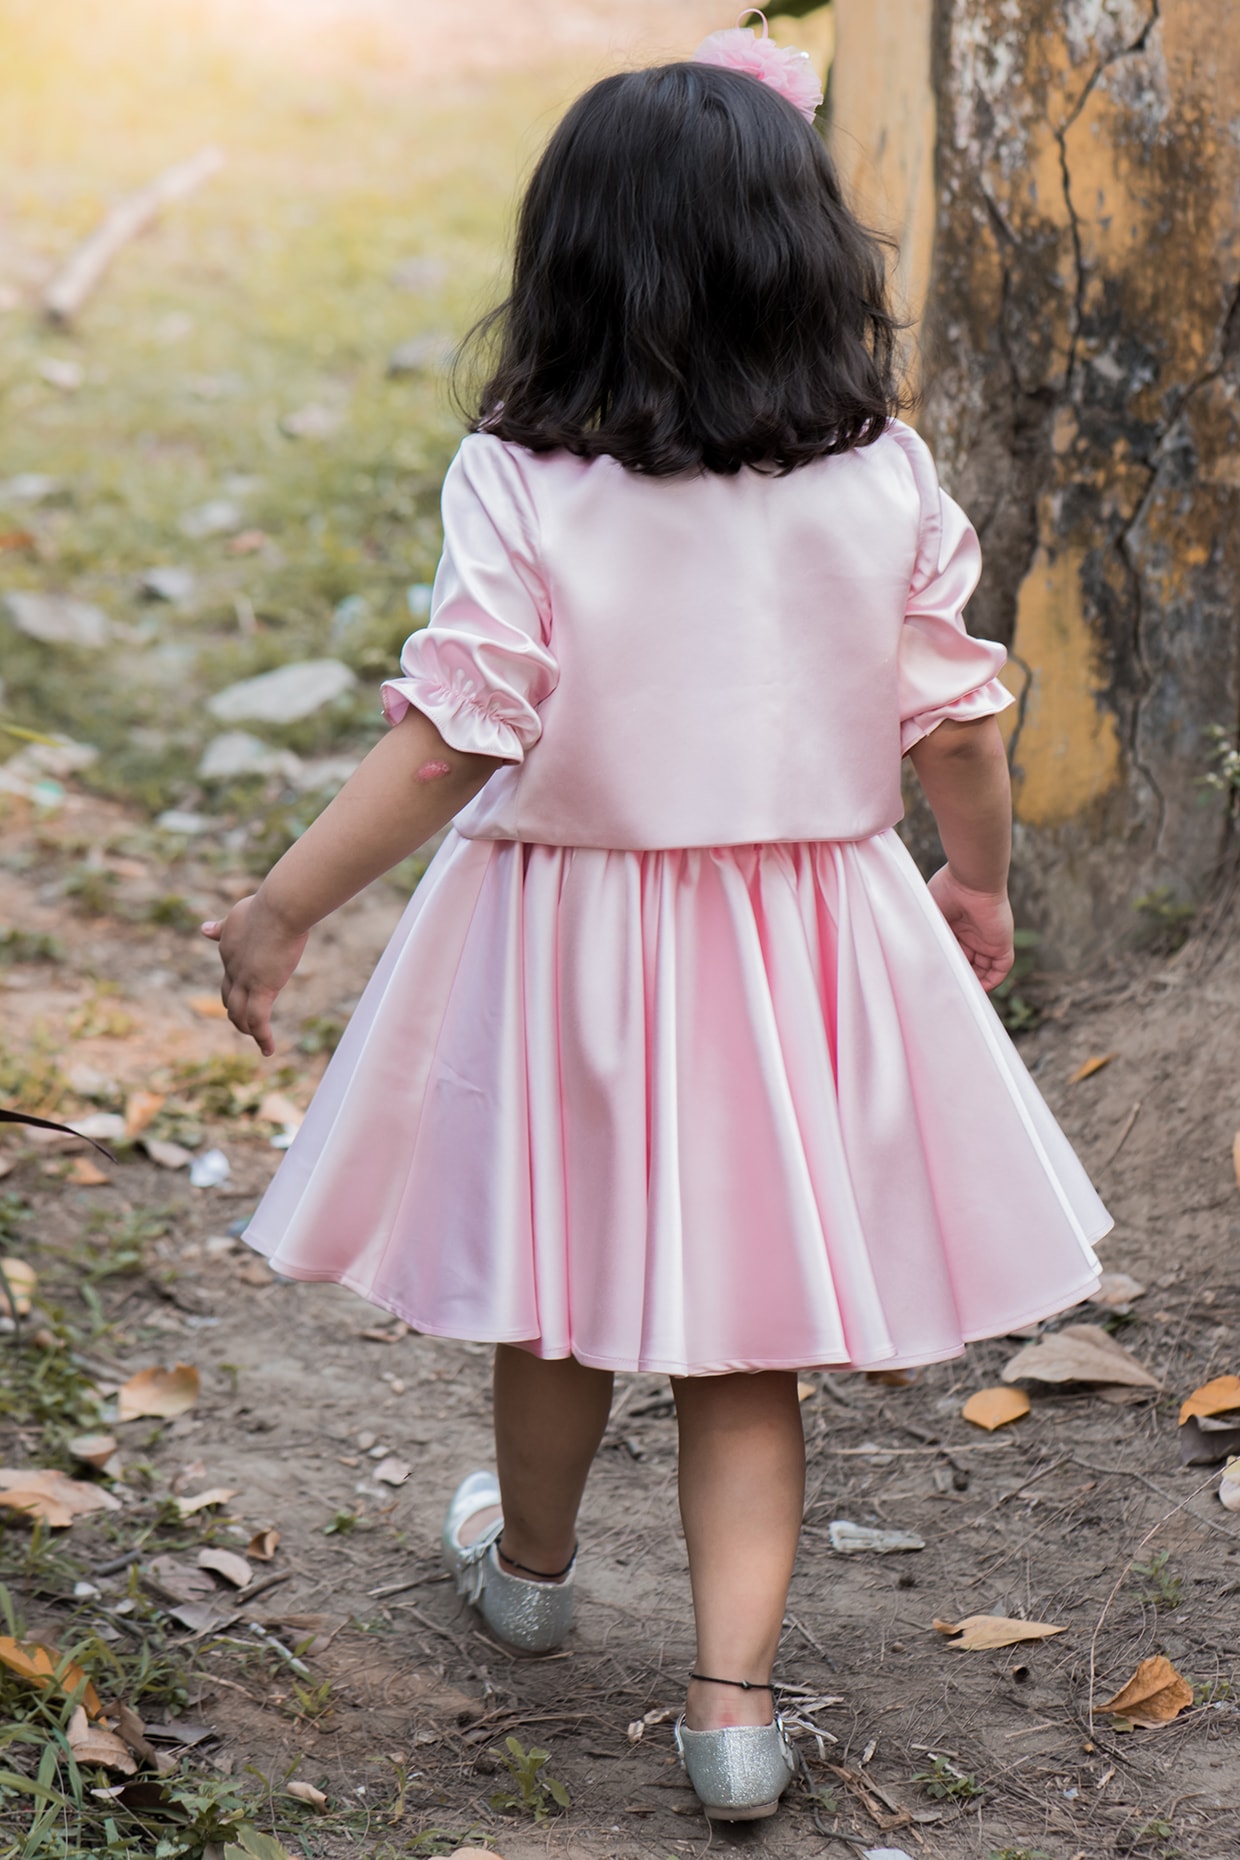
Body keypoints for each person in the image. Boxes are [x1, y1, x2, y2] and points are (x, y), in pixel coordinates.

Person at [204, 14, 1109, 1824]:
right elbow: (961, 720)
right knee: (744, 1334)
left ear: (570, 266)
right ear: (807, 262)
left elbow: (458, 730)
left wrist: (285, 903)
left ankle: (529, 1569)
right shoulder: (885, 479)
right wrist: (982, 877)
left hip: (572, 950)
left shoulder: (522, 479)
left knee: (552, 1287)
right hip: (803, 942)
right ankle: (732, 1716)